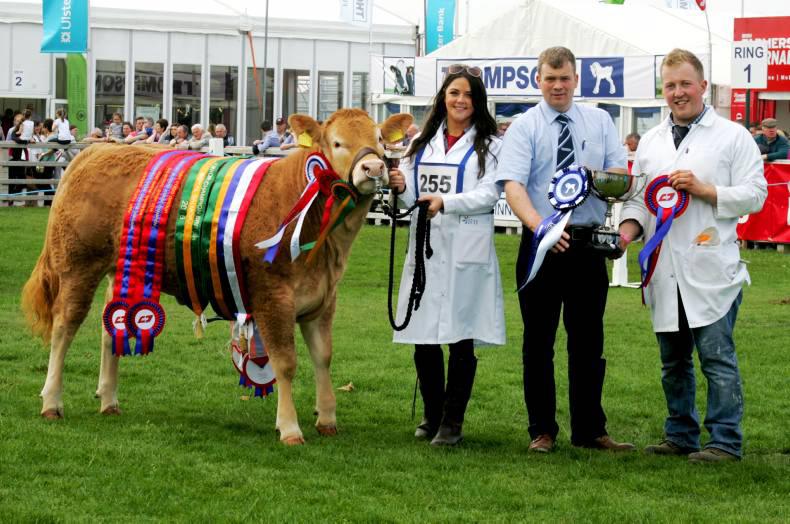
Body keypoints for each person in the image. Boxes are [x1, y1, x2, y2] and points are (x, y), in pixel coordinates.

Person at [618, 49, 767, 463]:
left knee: (717, 358)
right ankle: (680, 433)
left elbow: (757, 195)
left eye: (685, 84)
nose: (678, 93)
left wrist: (707, 191)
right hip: (664, 267)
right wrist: (628, 231)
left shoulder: (733, 136)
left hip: (711, 266)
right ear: (662, 91)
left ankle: (724, 441)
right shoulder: (650, 141)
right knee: (673, 361)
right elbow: (639, 201)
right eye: (670, 86)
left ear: (704, 86)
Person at [497, 46, 634, 454]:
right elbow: (513, 185)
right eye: (550, 79)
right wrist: (542, 229)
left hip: (589, 241)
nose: (558, 86)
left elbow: (619, 177)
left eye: (564, 78)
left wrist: (603, 180)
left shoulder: (600, 120)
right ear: (538, 80)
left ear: (576, 79)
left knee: (589, 340)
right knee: (538, 341)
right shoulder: (524, 126)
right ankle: (542, 430)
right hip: (541, 244)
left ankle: (591, 429)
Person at [389, 64, 505, 446]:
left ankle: (452, 422)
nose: (461, 101)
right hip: (426, 245)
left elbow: (490, 193)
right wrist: (402, 184)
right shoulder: (421, 141)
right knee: (424, 336)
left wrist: (447, 202)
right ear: (443, 97)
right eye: (454, 93)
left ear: (478, 103)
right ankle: (432, 413)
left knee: (461, 335)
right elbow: (409, 198)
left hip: (466, 246)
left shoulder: (490, 144)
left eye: (469, 96)